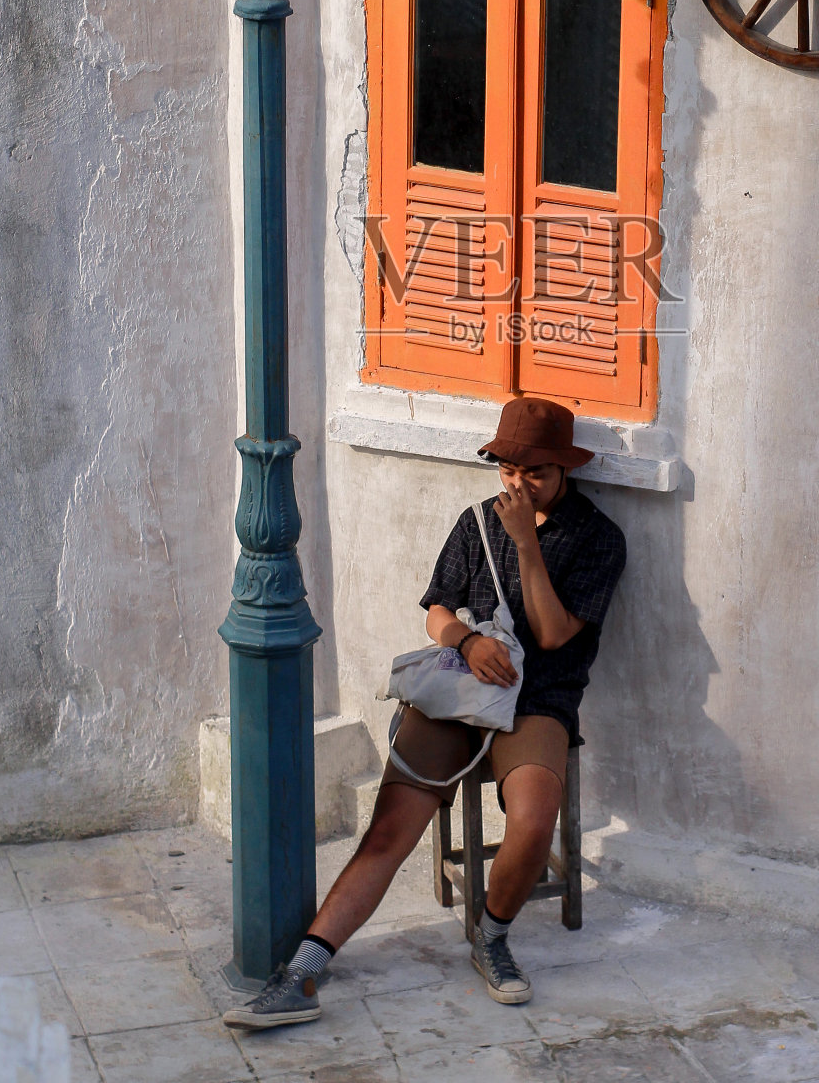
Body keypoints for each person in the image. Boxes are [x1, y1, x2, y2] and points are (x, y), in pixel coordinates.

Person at [223, 397, 626, 1027]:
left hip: (539, 699)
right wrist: (467, 640)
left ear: (564, 471)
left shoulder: (598, 538)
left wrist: (525, 542)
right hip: (463, 691)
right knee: (389, 829)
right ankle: (300, 974)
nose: (519, 486)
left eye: (537, 474)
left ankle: (491, 937)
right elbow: (438, 609)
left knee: (533, 817)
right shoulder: (474, 523)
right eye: (508, 471)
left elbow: (551, 636)